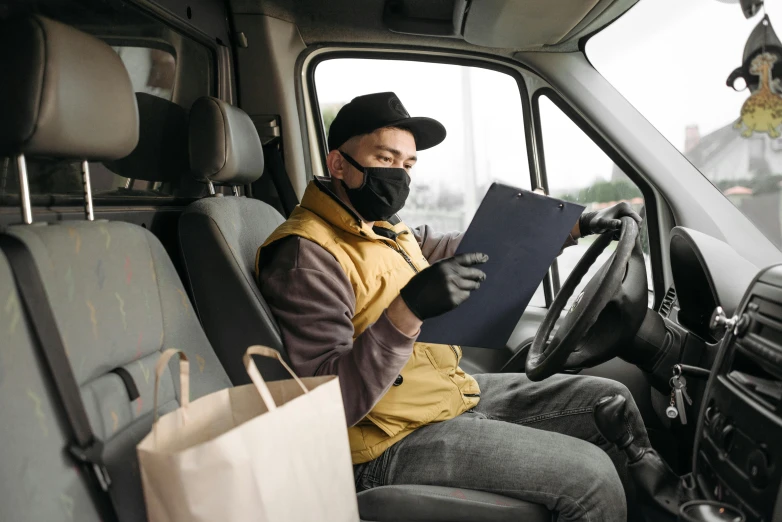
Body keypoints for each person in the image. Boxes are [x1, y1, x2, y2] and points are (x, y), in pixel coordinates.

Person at [255, 92, 646, 521]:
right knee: (591, 478)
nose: (399, 176)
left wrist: (567, 226)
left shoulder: (382, 226)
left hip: (442, 396)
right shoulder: (306, 254)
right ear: (338, 164)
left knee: (611, 403)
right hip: (382, 442)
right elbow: (327, 404)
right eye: (385, 158)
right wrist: (408, 309)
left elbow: (462, 250)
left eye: (407, 165)